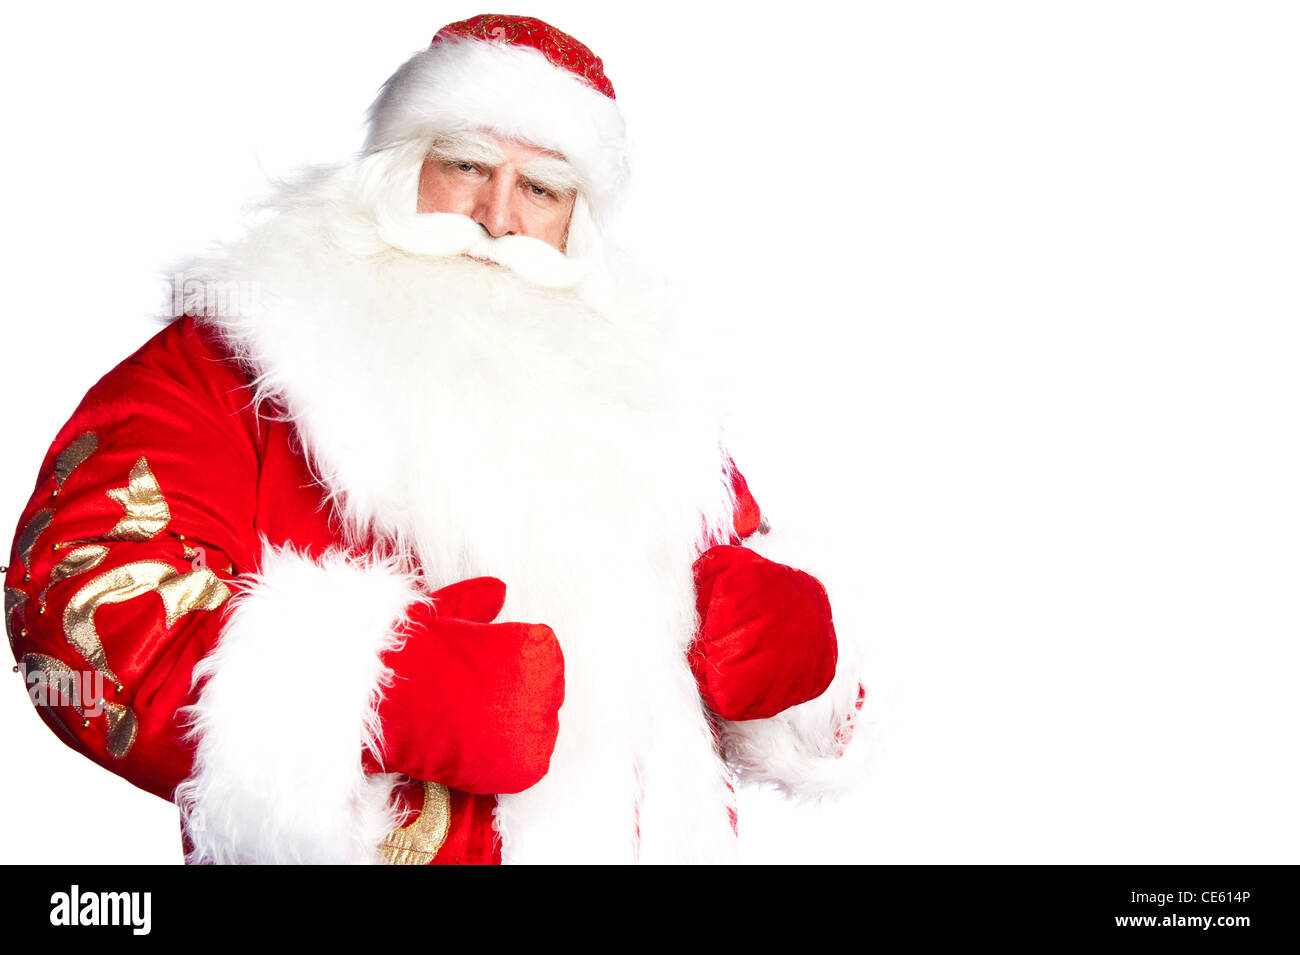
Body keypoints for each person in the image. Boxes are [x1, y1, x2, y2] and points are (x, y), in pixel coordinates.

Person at [5, 13, 864, 864]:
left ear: (576, 223)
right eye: (466, 166)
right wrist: (378, 689)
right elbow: (73, 587)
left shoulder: (651, 395)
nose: (496, 217)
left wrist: (793, 655)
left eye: (542, 189)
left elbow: (768, 628)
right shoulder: (244, 351)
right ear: (397, 168)